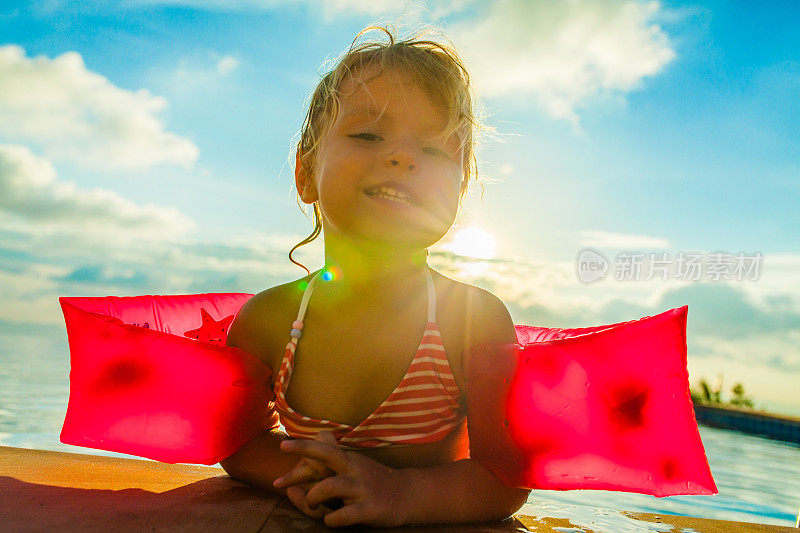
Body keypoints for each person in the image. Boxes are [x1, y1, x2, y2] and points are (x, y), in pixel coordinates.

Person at [219, 24, 530, 527]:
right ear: (305, 172)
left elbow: (505, 476)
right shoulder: (270, 320)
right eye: (367, 134)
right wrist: (305, 473)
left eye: (433, 150)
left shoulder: (470, 321)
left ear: (461, 188)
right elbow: (238, 442)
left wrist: (402, 494)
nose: (403, 156)